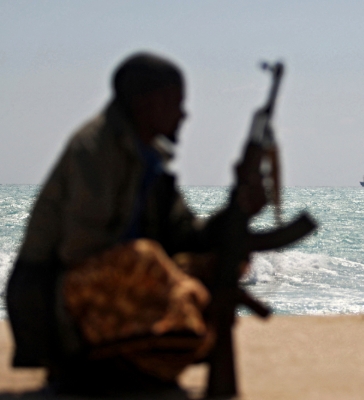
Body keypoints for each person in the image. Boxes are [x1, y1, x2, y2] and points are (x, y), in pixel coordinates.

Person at [6, 52, 267, 394]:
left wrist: (238, 207)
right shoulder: (95, 149)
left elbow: (187, 235)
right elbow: (80, 250)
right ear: (147, 104)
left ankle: (149, 367)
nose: (183, 114)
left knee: (219, 261)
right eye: (175, 103)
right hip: (52, 296)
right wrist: (170, 275)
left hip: (107, 284)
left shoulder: (150, 163)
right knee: (144, 257)